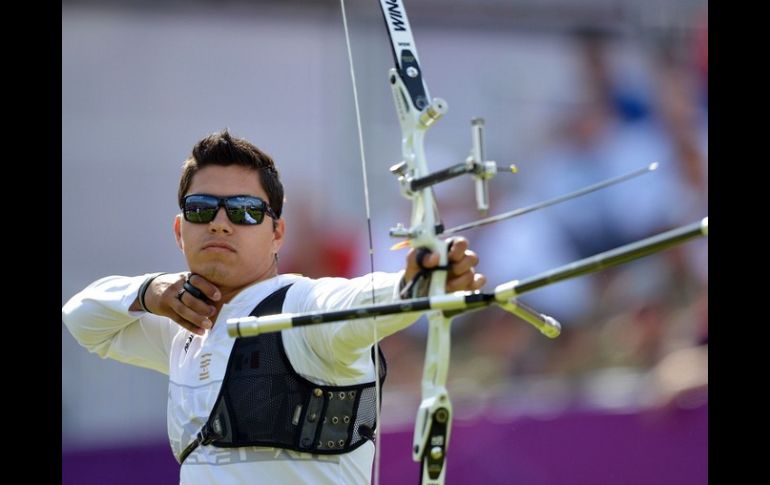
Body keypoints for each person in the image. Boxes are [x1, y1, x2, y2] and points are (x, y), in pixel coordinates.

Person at [62, 129, 486, 485]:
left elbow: (355, 302)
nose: (220, 222)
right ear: (180, 229)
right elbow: (81, 319)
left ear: (277, 233)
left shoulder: (299, 307)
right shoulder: (185, 328)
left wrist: (416, 284)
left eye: (245, 212)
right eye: (201, 209)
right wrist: (149, 290)